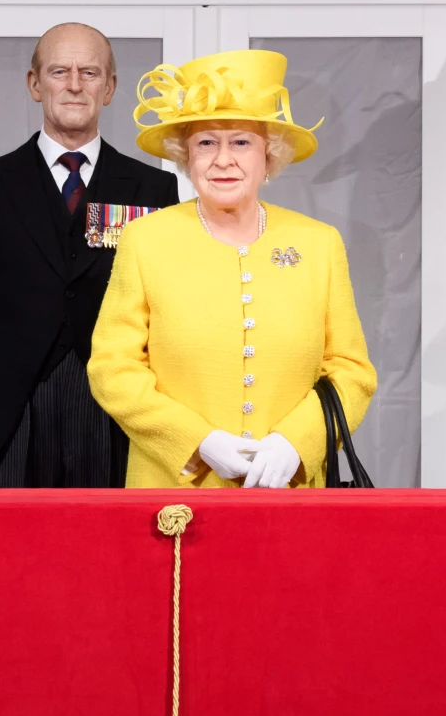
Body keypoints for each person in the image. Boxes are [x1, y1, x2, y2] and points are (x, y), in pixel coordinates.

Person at [87, 49, 376, 489]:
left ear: (269, 156)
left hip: (291, 491)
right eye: (206, 143)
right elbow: (113, 367)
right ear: (187, 156)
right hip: (174, 492)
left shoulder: (319, 243)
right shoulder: (145, 240)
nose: (223, 160)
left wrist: (297, 444)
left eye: (241, 142)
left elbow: (351, 371)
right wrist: (195, 440)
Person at [0, 23, 180, 488]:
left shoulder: (154, 189)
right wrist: (4, 372)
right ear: (35, 84)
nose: (74, 85)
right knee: (11, 550)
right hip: (14, 410)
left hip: (117, 410)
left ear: (109, 89)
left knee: (111, 550)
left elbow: (168, 306)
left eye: (90, 72)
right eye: (59, 71)